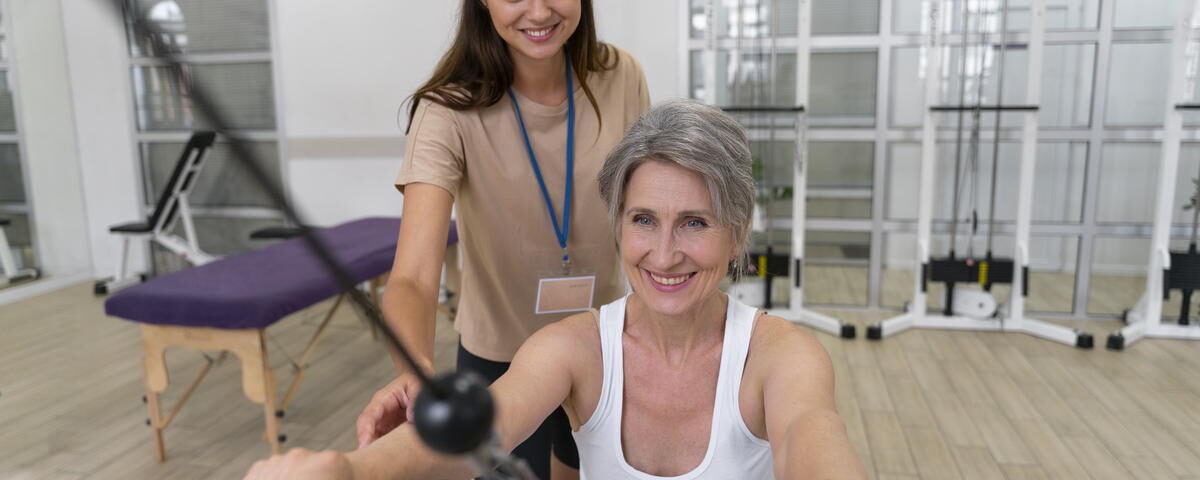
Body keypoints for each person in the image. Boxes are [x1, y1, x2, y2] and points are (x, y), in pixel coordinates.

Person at [245, 100, 867, 480]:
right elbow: (483, 429)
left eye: (695, 223)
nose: (665, 253)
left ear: (737, 236)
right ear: (618, 226)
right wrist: (348, 473)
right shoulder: (575, 349)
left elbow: (811, 439)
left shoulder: (782, 356)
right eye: (643, 220)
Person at [355, 0, 650, 479]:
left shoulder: (621, 75)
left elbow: (645, 204)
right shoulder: (446, 109)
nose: (537, 11)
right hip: (501, 356)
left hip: (603, 343)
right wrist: (416, 372)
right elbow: (412, 276)